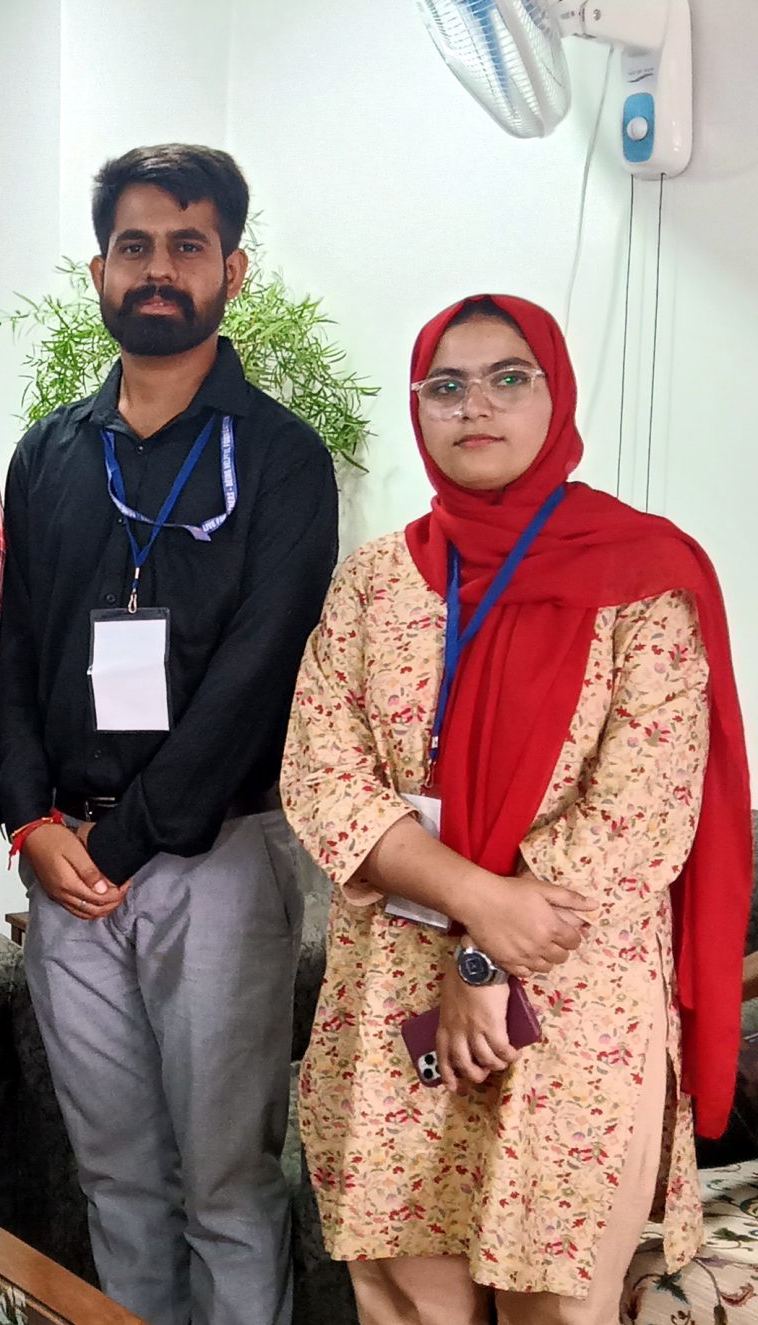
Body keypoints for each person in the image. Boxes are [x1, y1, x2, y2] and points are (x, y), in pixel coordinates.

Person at [283, 294, 752, 1325]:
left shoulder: (644, 577)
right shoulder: (373, 584)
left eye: (508, 377)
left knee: (558, 1298)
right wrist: (474, 902)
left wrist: (486, 960)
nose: (476, 405)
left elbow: (641, 811)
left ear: (556, 393)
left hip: (572, 995)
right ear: (419, 407)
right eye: (445, 385)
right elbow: (323, 774)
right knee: (408, 1295)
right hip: (394, 993)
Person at [0, 144, 338, 1325]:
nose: (159, 269)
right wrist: (28, 821)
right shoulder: (49, 451)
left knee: (226, 1183)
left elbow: (257, 675)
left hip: (214, 856)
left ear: (233, 267)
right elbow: (14, 651)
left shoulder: (280, 458)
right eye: (133, 246)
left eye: (188, 245)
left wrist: (120, 843)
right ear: (99, 271)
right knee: (116, 1181)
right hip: (65, 860)